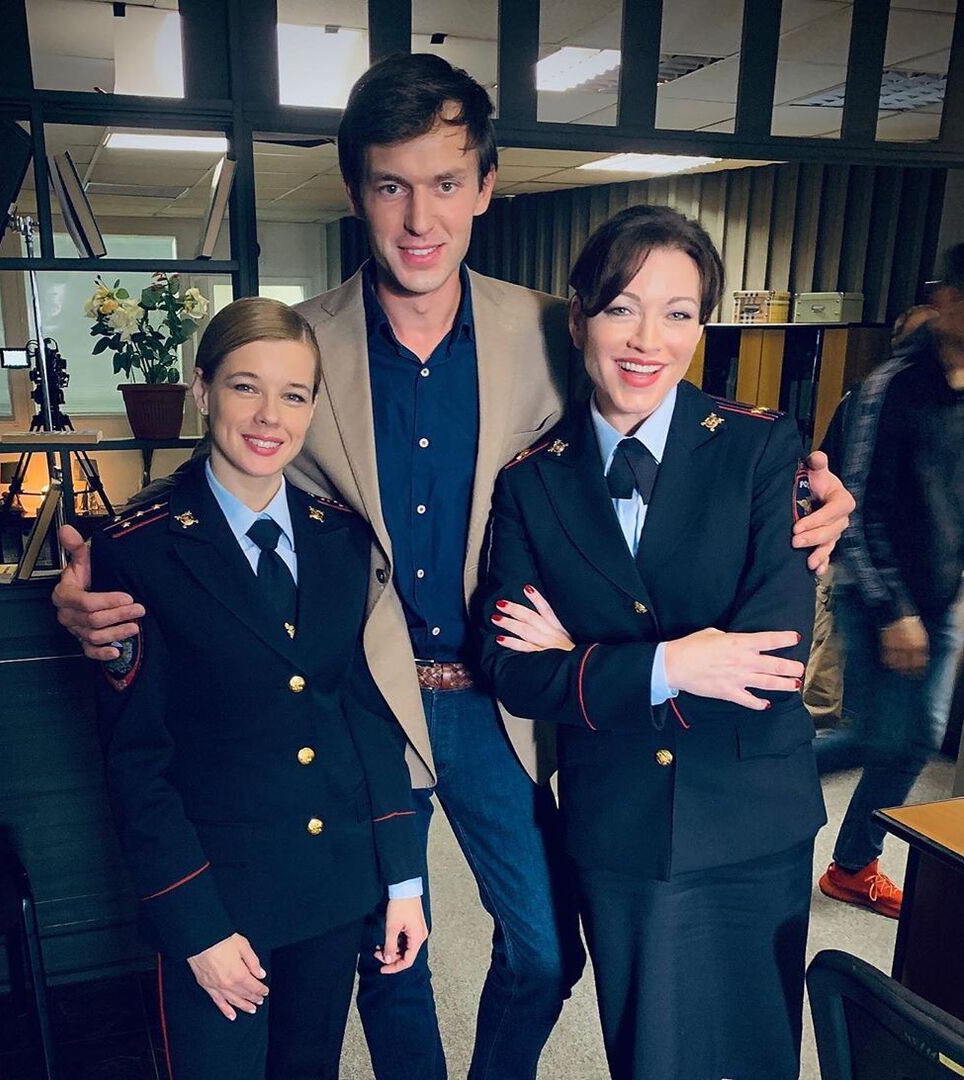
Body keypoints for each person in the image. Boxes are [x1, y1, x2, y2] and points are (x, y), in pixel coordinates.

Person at [51, 55, 853, 1080]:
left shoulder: (557, 328)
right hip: (367, 695)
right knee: (393, 958)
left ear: (485, 188)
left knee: (545, 948)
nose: (419, 217)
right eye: (392, 185)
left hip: (498, 695)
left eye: (445, 182)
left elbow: (649, 429)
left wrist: (811, 496)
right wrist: (106, 568)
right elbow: (237, 452)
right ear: (357, 192)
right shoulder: (308, 340)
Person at [481, 205, 826, 1080]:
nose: (647, 340)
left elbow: (774, 661)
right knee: (650, 1056)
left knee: (757, 1054)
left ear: (701, 327)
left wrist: (585, 659)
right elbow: (515, 671)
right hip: (620, 824)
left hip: (752, 816)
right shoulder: (530, 482)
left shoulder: (760, 446)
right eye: (621, 308)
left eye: (678, 313)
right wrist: (677, 662)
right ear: (578, 318)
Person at [93, 296, 427, 1080]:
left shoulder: (342, 540)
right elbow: (136, 764)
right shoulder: (137, 552)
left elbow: (364, 717)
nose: (269, 415)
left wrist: (404, 879)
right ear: (202, 389)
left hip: (332, 889)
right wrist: (195, 928)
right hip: (220, 903)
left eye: (294, 394)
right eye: (246, 386)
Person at [817, 251, 964, 918]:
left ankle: (852, 865)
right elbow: (854, 506)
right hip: (881, 595)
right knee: (878, 737)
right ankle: (740, 774)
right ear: (947, 301)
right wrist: (893, 609)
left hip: (941, 597)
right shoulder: (889, 387)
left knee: (914, 738)